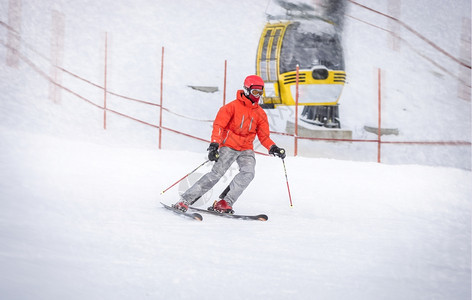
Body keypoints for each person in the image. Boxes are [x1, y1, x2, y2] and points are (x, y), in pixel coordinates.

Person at [173, 75, 286, 213]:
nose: (258, 96)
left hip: (246, 149)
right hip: (229, 146)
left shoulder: (260, 113)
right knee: (216, 174)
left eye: (260, 92)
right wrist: (214, 144)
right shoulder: (231, 107)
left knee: (248, 173)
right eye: (255, 92)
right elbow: (219, 126)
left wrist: (273, 147)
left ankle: (224, 202)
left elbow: (264, 136)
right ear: (246, 90)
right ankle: (185, 200)